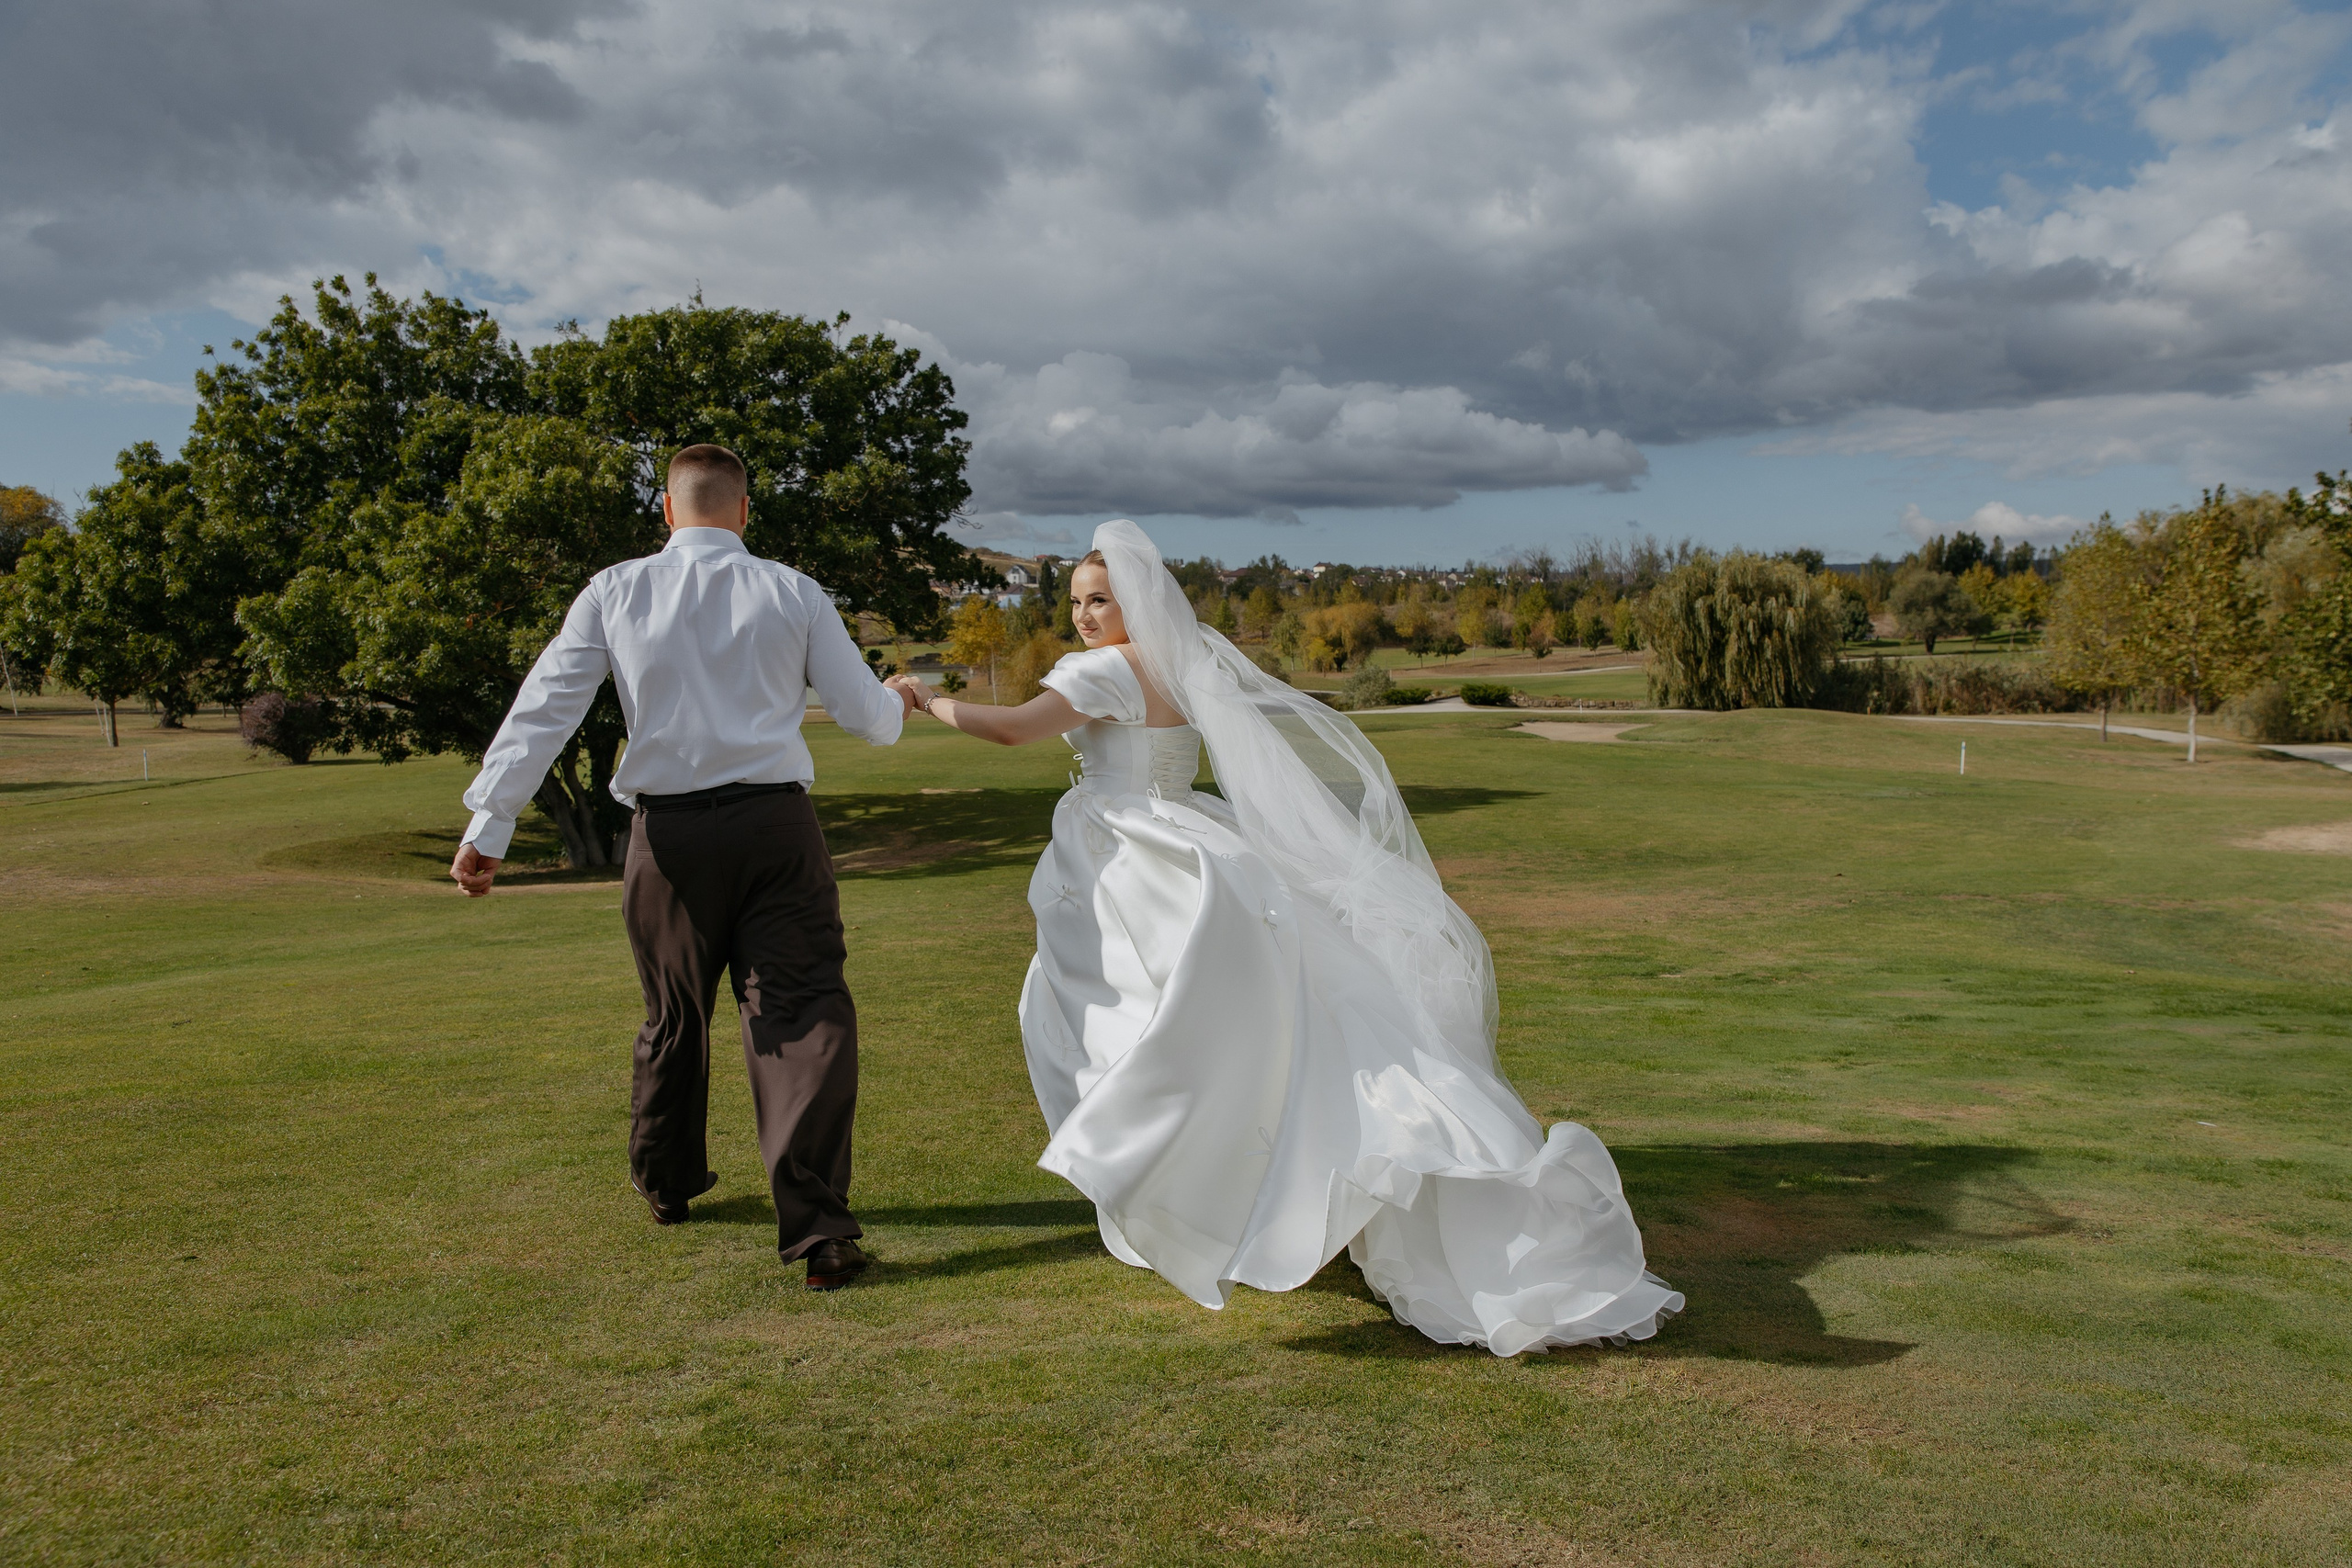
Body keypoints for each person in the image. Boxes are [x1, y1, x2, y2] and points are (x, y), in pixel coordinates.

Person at [888, 522, 1680, 1354]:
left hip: (1135, 857)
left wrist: (924, 698)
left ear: (1135, 603)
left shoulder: (1101, 670)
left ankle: (1191, 1196)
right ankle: (1227, 1188)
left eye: (1100, 600)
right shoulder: (1177, 664)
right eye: (1077, 602)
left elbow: (1017, 729)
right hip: (1186, 836)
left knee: (1140, 1025)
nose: (1084, 615)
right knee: (1217, 1022)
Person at [449, 444, 912, 1292]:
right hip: (777, 827)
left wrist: (493, 821)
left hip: (665, 838)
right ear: (743, 511)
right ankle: (818, 1232)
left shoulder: (614, 590)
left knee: (674, 1014)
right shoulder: (793, 590)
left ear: (667, 511)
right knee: (803, 1014)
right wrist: (900, 699)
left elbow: (546, 705)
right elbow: (867, 720)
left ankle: (665, 1183)